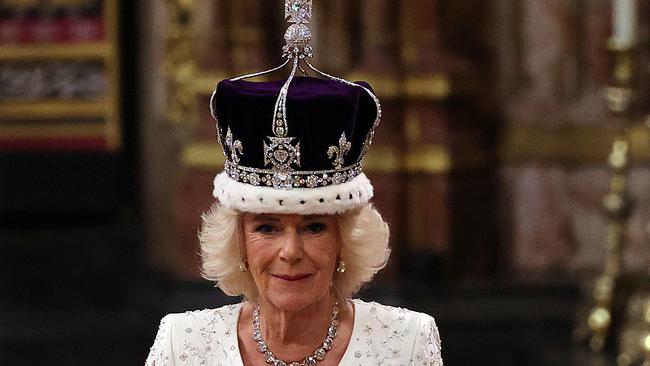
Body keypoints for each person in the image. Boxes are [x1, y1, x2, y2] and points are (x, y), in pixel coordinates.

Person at [146, 3, 442, 365]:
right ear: (238, 240)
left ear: (345, 241)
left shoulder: (407, 343)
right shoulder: (183, 346)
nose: (290, 251)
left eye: (314, 226)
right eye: (267, 227)